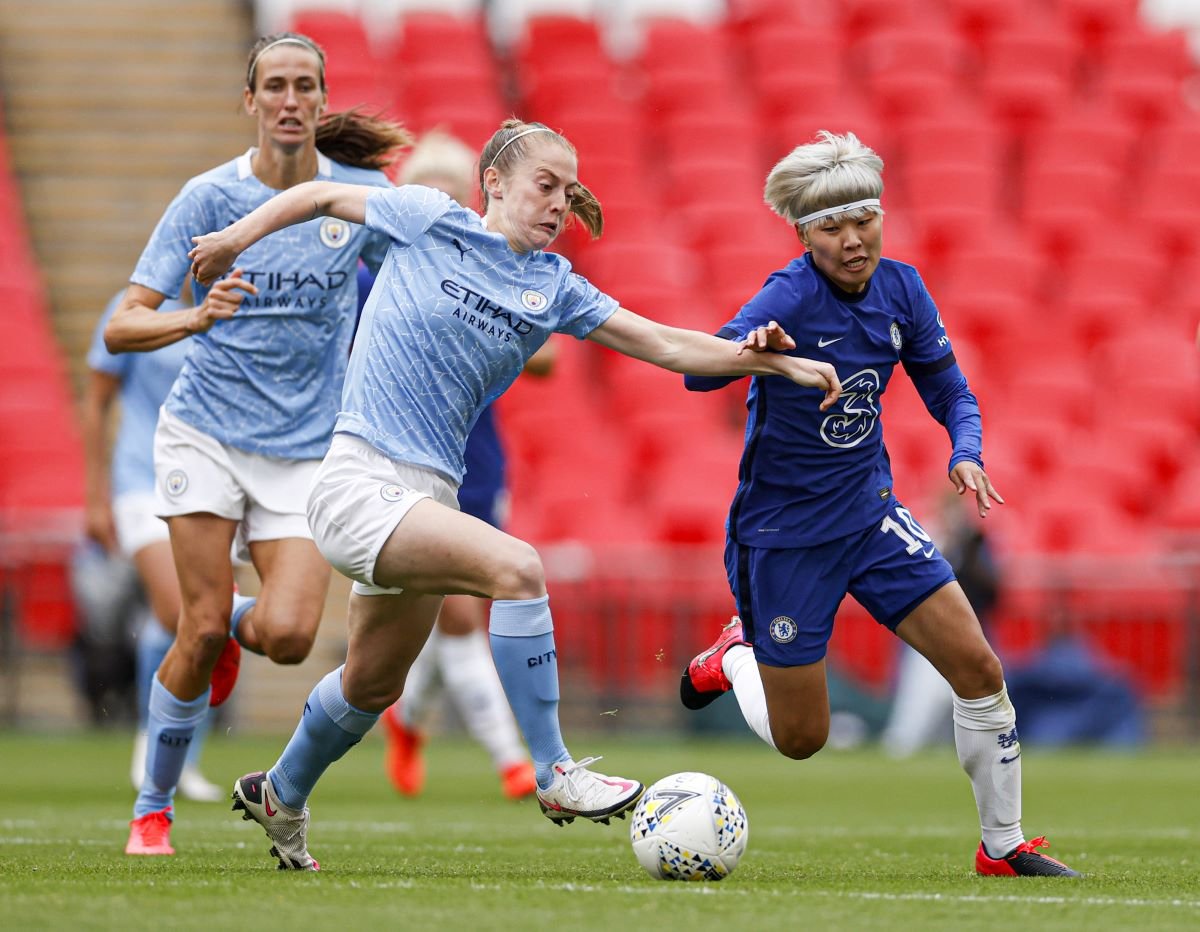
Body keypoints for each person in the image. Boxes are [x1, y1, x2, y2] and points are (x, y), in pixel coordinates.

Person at [188, 118, 842, 871]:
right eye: (545, 184)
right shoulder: (431, 220)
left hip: (429, 493)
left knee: (371, 685)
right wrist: (236, 237)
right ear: (493, 182)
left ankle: (281, 792)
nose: (559, 203)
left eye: (569, 191)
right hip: (358, 477)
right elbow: (318, 194)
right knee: (519, 567)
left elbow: (664, 343)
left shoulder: (554, 285)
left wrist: (768, 363)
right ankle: (556, 770)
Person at [678, 131, 1080, 878]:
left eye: (864, 216)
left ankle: (1003, 845)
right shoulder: (788, 294)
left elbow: (952, 390)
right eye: (831, 225)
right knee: (803, 739)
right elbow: (698, 377)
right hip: (785, 536)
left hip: (871, 516)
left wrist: (966, 452)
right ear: (803, 232)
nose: (853, 237)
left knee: (979, 667)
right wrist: (756, 350)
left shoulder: (904, 289)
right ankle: (736, 655)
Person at [105, 32, 412, 857]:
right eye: (273, 85)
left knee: (287, 636)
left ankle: (228, 621)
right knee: (196, 631)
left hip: (307, 447)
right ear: (250, 102)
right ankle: (151, 809)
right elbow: (122, 323)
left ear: (319, 99)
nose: (288, 99)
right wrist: (195, 316)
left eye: (303, 86)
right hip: (204, 432)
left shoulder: (357, 195)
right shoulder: (207, 198)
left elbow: (415, 273)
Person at [363, 130, 541, 801]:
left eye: (451, 198)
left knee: (445, 612)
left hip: (478, 460)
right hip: (404, 456)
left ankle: (407, 719)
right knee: (462, 616)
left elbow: (546, 354)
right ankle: (512, 759)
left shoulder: (492, 267)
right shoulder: (379, 273)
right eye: (426, 198)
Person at [83, 289, 235, 803]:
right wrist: (94, 495)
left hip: (212, 481)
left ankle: (182, 758)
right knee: (181, 611)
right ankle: (154, 744)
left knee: (204, 620)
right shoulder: (133, 304)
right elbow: (97, 397)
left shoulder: (237, 296)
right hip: (141, 477)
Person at [881, 487, 1001, 757]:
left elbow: (992, 592)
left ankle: (952, 748)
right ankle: (902, 745)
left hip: (964, 634)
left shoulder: (975, 545)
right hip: (928, 634)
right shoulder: (926, 538)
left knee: (959, 700)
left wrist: (967, 548)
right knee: (921, 699)